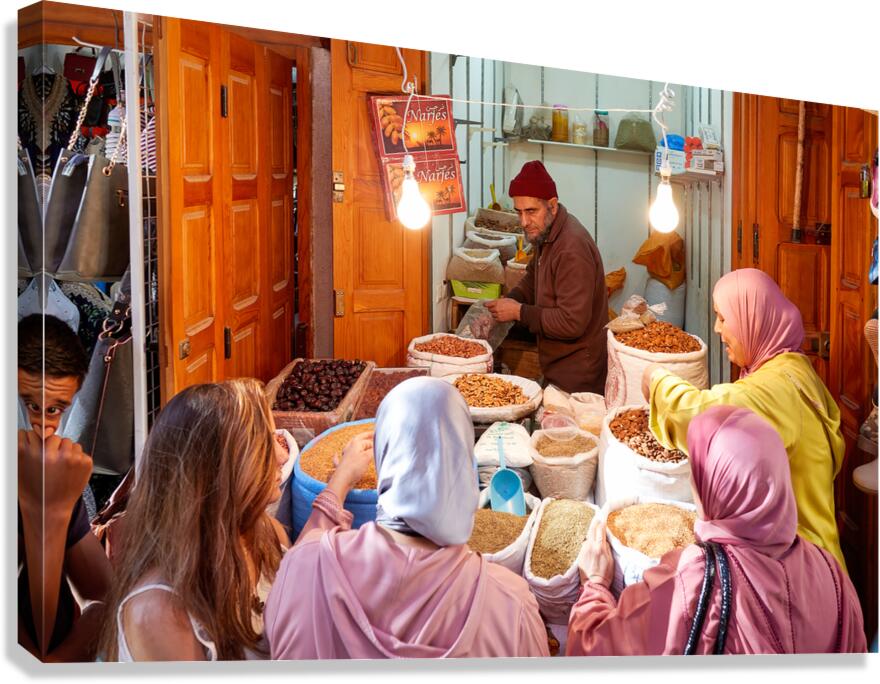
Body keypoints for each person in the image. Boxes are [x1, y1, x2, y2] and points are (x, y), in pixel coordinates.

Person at [265, 377, 549, 659]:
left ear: (384, 457)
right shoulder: (511, 607)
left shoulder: (302, 567)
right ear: (464, 468)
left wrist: (340, 481)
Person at [567, 406, 866, 655]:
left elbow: (596, 649)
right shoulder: (833, 574)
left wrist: (594, 586)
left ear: (714, 486)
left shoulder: (692, 581)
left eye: (699, 472)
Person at [642, 268, 847, 569]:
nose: (716, 328)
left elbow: (700, 414)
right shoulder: (791, 365)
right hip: (809, 559)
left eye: (724, 318)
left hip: (806, 570)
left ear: (754, 319)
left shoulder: (777, 389)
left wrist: (657, 380)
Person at [97, 379, 290, 661]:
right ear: (220, 473)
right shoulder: (159, 612)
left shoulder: (266, 533)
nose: (281, 455)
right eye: (264, 442)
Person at [17, 313, 112, 662]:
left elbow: (105, 597)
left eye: (56, 409)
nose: (42, 428)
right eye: (30, 404)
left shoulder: (49, 478)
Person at [485, 160, 608, 394]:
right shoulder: (546, 233)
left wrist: (518, 312)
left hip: (579, 375)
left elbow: (571, 322)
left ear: (552, 205)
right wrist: (508, 301)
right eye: (519, 212)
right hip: (557, 365)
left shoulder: (572, 248)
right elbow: (533, 278)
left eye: (531, 211)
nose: (523, 222)